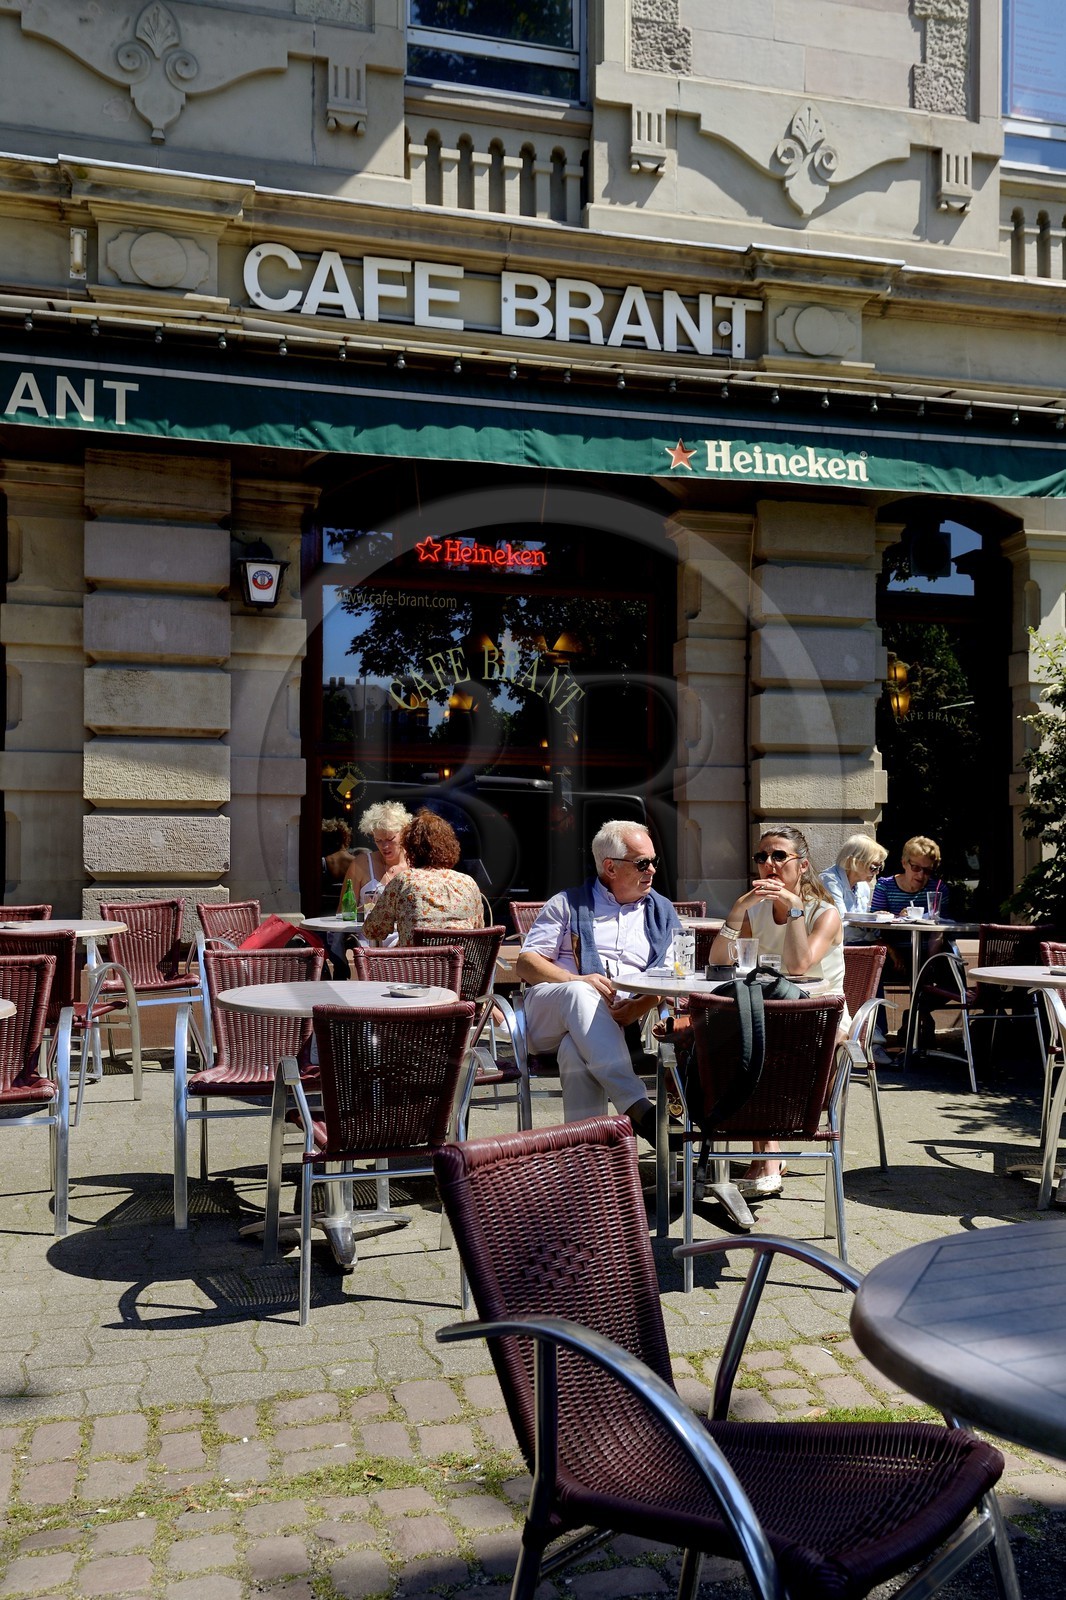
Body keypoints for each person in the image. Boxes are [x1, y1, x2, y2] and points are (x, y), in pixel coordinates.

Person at [515, 819, 680, 1142]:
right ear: (611, 867)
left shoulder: (661, 912)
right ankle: (637, 1105)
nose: (652, 871)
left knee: (576, 1052)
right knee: (579, 992)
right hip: (548, 1015)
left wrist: (641, 1006)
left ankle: (587, 1171)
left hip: (617, 1026)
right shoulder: (568, 903)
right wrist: (576, 978)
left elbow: (672, 974)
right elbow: (526, 962)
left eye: (654, 862)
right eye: (642, 863)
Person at [709, 824, 846, 1199]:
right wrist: (738, 910)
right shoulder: (758, 911)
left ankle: (767, 1154)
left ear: (801, 866)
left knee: (753, 1042)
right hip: (769, 1009)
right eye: (761, 857)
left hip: (820, 1016)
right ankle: (759, 1148)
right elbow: (718, 963)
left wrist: (795, 908)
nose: (769, 864)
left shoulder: (825, 913)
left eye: (779, 856)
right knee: (718, 1037)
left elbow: (799, 965)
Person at [362, 809, 484, 945]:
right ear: (450, 846)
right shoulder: (468, 883)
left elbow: (372, 930)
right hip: (460, 963)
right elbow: (479, 931)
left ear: (409, 847)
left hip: (415, 965)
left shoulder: (404, 881)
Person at [343, 801, 412, 907]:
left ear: (404, 833)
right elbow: (343, 913)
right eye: (378, 840)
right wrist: (365, 911)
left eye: (390, 839)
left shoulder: (416, 862)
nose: (384, 846)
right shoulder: (361, 864)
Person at [821, 834, 888, 941]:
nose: (877, 872)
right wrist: (871, 918)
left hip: (860, 942)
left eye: (880, 867)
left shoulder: (863, 885)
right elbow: (841, 918)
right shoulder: (830, 880)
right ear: (855, 862)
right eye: (873, 867)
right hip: (838, 945)